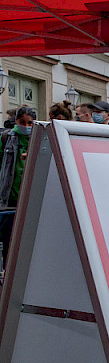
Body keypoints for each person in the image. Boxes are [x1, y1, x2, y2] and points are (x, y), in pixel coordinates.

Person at [0, 106, 36, 262]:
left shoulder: (39, 137)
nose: (26, 127)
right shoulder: (6, 137)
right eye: (22, 122)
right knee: (8, 240)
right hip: (9, 199)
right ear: (16, 121)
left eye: (30, 123)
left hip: (29, 199)